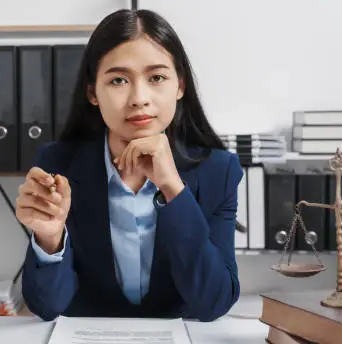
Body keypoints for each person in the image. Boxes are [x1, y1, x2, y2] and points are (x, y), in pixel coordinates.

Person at [14, 8, 243, 322]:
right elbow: (47, 306)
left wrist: (173, 189)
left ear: (179, 86)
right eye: (118, 80)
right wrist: (50, 240)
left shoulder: (219, 170)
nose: (139, 98)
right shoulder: (57, 165)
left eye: (156, 77)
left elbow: (212, 304)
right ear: (93, 92)